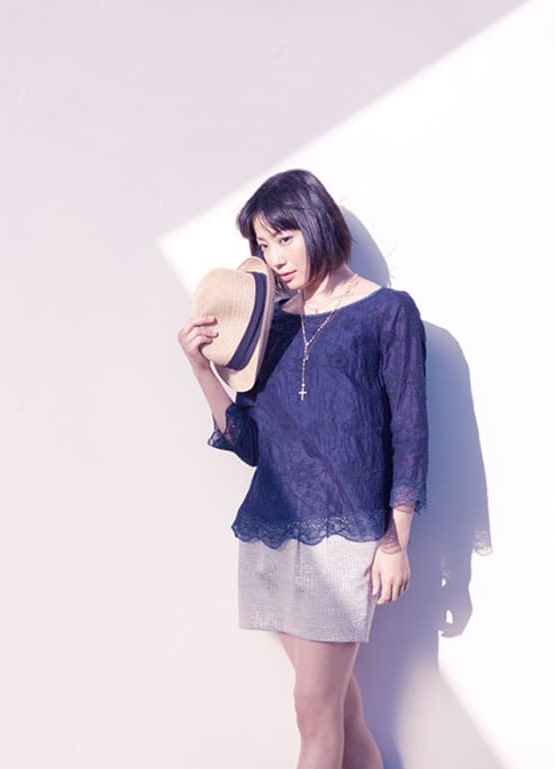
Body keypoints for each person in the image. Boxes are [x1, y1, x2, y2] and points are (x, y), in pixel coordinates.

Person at [176, 169, 428, 769]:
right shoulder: (273, 323)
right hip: (273, 529)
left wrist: (395, 541)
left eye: (284, 238)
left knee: (313, 711)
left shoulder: (387, 313)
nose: (275, 259)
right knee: (339, 712)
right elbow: (251, 442)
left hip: (346, 539)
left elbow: (410, 434)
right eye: (263, 245)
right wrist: (201, 369)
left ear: (317, 223)